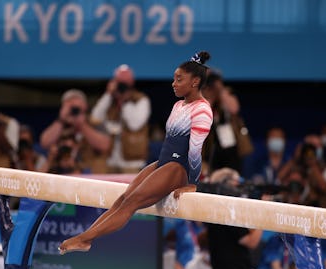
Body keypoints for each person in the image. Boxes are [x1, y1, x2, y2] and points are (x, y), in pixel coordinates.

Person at [58, 51, 213, 254]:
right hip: (164, 163)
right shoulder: (178, 105)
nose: (173, 83)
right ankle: (86, 239)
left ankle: (84, 238)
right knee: (123, 199)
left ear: (195, 82)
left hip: (178, 169)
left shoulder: (202, 110)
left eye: (179, 79)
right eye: (174, 78)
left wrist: (193, 183)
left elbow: (195, 150)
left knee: (131, 203)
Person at [91, 64, 152, 173]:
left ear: (131, 83)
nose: (122, 87)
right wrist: (108, 95)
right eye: (119, 83)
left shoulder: (141, 100)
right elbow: (95, 118)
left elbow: (134, 125)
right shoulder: (110, 100)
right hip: (110, 160)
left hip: (132, 162)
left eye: (125, 83)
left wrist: (125, 101)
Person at [39, 89, 111, 174]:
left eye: (77, 107)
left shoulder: (94, 123)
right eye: (71, 107)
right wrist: (61, 119)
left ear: (85, 106)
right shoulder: (59, 125)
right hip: (63, 175)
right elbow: (44, 142)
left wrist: (82, 125)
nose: (74, 111)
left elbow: (105, 146)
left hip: (90, 175)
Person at [201, 70, 253, 177]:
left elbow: (234, 108)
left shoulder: (226, 92)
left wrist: (220, 89)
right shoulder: (203, 95)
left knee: (233, 178)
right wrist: (209, 94)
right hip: (212, 147)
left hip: (231, 149)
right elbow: (204, 113)